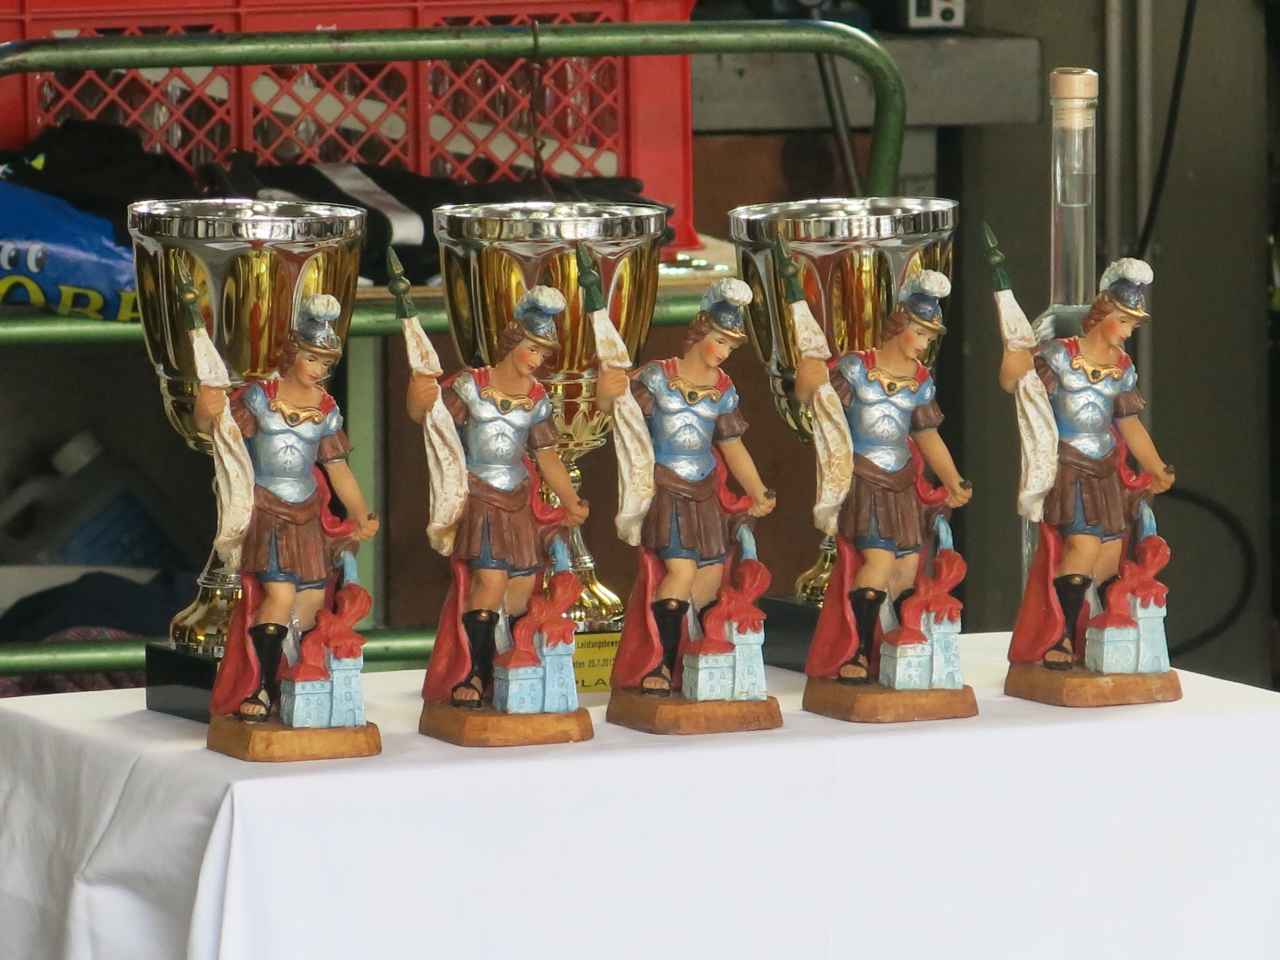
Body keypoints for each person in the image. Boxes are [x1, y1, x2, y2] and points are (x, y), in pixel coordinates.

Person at [197, 294, 379, 721]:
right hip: (267, 510)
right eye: (312, 358)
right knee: (278, 595)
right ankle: (261, 686)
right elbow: (219, 434)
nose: (318, 370)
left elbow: (338, 470)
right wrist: (205, 412)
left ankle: (298, 682)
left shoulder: (325, 410)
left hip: (308, 515)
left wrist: (360, 513)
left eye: (325, 363)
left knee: (312, 602)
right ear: (293, 353)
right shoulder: (259, 399)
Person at [406, 286, 589, 708]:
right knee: (489, 582)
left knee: (522, 585)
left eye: (543, 352)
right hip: (480, 499)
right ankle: (476, 672)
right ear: (513, 342)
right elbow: (430, 421)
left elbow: (547, 456)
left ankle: (513, 666)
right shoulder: (471, 388)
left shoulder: (536, 399)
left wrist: (570, 500)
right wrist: (418, 397)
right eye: (531, 348)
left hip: (518, 501)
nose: (536, 359)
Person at [599, 278, 776, 695]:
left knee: (711, 577)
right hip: (668, 491)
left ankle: (695, 663)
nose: (724, 352)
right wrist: (606, 394)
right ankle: (660, 662)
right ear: (700, 332)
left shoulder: (722, 389)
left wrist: (757, 489)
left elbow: (732, 446)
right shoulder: (657, 379)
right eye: (720, 341)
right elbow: (620, 416)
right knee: (680, 571)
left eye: (731, 346)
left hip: (705, 493)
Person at [796, 271, 971, 682]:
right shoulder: (856, 370)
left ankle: (894, 646)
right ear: (901, 325)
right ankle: (857, 651)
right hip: (865, 481)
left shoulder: (919, 382)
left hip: (902, 484)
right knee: (878, 560)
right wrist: (809, 372)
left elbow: (927, 436)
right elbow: (813, 399)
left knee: (908, 566)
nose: (924, 344)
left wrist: (953, 479)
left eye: (929, 336)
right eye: (920, 333)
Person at [998, 258, 1174, 668]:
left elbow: (1130, 425)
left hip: (1106, 470)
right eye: (1123, 322)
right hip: (1069, 467)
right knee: (1082, 546)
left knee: (1110, 556)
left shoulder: (1121, 369)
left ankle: (1097, 635)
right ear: (1103, 314)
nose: (1127, 332)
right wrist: (1014, 356)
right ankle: (1059, 636)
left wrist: (1155, 465)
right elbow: (1015, 384)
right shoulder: (1060, 357)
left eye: (1132, 324)